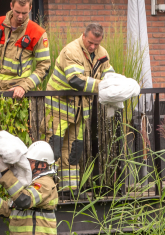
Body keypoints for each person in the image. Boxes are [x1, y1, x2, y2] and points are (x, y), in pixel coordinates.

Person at [42, 23, 114, 194]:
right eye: (90, 42)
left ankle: (69, 190)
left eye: (96, 44)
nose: (93, 47)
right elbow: (75, 80)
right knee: (54, 148)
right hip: (58, 107)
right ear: (83, 36)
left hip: (79, 111)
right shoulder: (72, 50)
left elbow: (109, 74)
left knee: (74, 150)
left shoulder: (101, 53)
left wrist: (116, 84)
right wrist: (104, 86)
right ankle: (49, 190)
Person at [0, 0, 51, 98]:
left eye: (24, 13)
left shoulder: (37, 33)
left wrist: (24, 86)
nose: (20, 16)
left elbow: (44, 66)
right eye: (17, 12)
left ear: (30, 8)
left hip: (16, 96)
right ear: (11, 6)